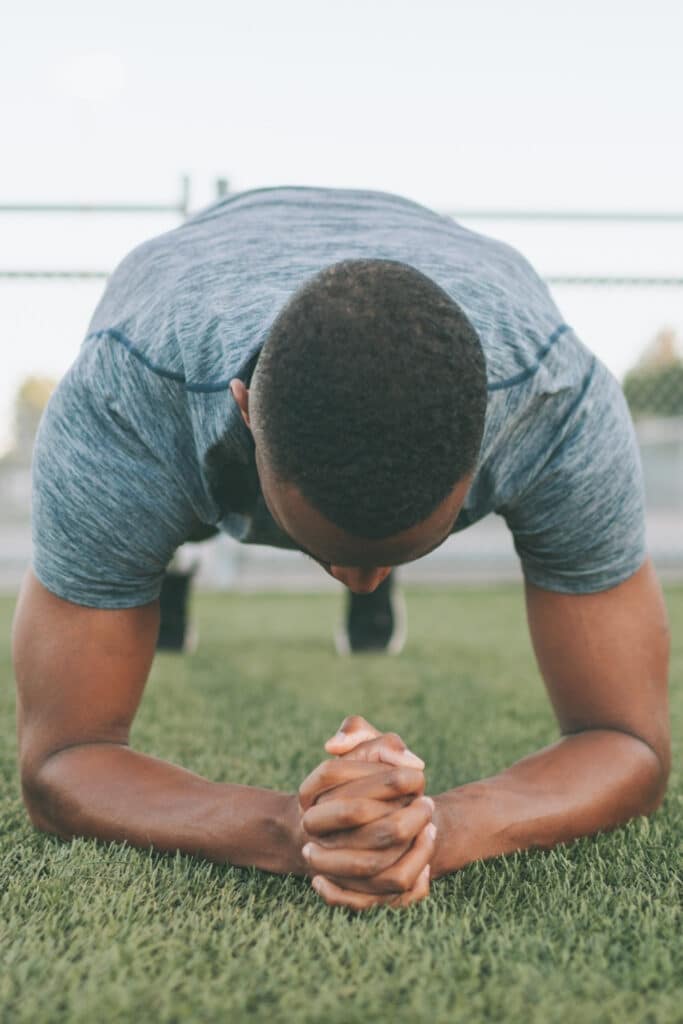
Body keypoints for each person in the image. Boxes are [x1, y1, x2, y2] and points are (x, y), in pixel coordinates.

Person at [12, 187, 670, 911]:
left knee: (359, 542)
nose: (359, 585)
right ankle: (163, 559)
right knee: (146, 527)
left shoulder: (554, 401)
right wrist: (288, 829)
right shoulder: (123, 400)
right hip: (182, 329)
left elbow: (627, 742)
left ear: (490, 440)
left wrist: (440, 828)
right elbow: (61, 761)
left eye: (399, 552)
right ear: (244, 414)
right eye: (332, 554)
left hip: (471, 287)